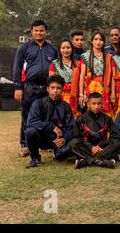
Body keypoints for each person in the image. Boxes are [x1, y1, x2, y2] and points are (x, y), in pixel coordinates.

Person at [13, 20, 58, 157]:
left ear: (46, 32)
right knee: (27, 116)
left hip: (46, 88)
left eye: (41, 30)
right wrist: (18, 87)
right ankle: (25, 145)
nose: (39, 33)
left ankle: (46, 143)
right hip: (29, 87)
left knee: (48, 116)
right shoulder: (24, 48)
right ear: (32, 31)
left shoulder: (52, 50)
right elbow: (17, 68)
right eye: (36, 30)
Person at [24, 75, 74, 168]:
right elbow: (31, 122)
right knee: (30, 132)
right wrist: (51, 126)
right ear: (47, 89)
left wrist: (64, 139)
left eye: (58, 88)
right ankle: (35, 158)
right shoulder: (38, 103)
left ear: (62, 89)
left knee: (71, 148)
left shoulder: (66, 107)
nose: (55, 91)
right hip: (41, 137)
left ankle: (59, 153)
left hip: (59, 139)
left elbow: (70, 127)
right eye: (52, 88)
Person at [69, 92, 120, 169]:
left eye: (99, 103)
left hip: (102, 149)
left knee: (117, 143)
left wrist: (101, 145)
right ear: (88, 104)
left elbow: (114, 137)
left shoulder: (107, 119)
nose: (96, 106)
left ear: (102, 104)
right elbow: (77, 138)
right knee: (72, 143)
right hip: (87, 148)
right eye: (93, 104)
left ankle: (87, 161)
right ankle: (101, 161)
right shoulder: (80, 119)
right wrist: (91, 147)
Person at [79, 31, 113, 116]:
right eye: (96, 39)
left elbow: (111, 76)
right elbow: (82, 75)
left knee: (104, 113)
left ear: (104, 42)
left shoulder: (109, 57)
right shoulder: (85, 56)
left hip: (104, 89)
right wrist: (81, 94)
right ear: (92, 41)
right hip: (89, 89)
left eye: (101, 40)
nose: (98, 42)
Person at [49, 39, 81, 118]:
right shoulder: (54, 64)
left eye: (68, 48)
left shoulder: (78, 64)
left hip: (76, 97)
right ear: (59, 50)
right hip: (60, 97)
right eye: (63, 48)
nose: (65, 50)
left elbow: (82, 81)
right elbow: (52, 84)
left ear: (72, 49)